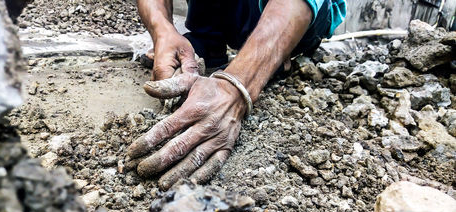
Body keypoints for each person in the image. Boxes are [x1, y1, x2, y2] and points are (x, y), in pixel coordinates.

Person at [127, 0, 346, 189]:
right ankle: (208, 42)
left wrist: (234, 86)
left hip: (300, 13)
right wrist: (162, 31)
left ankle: (278, 52)